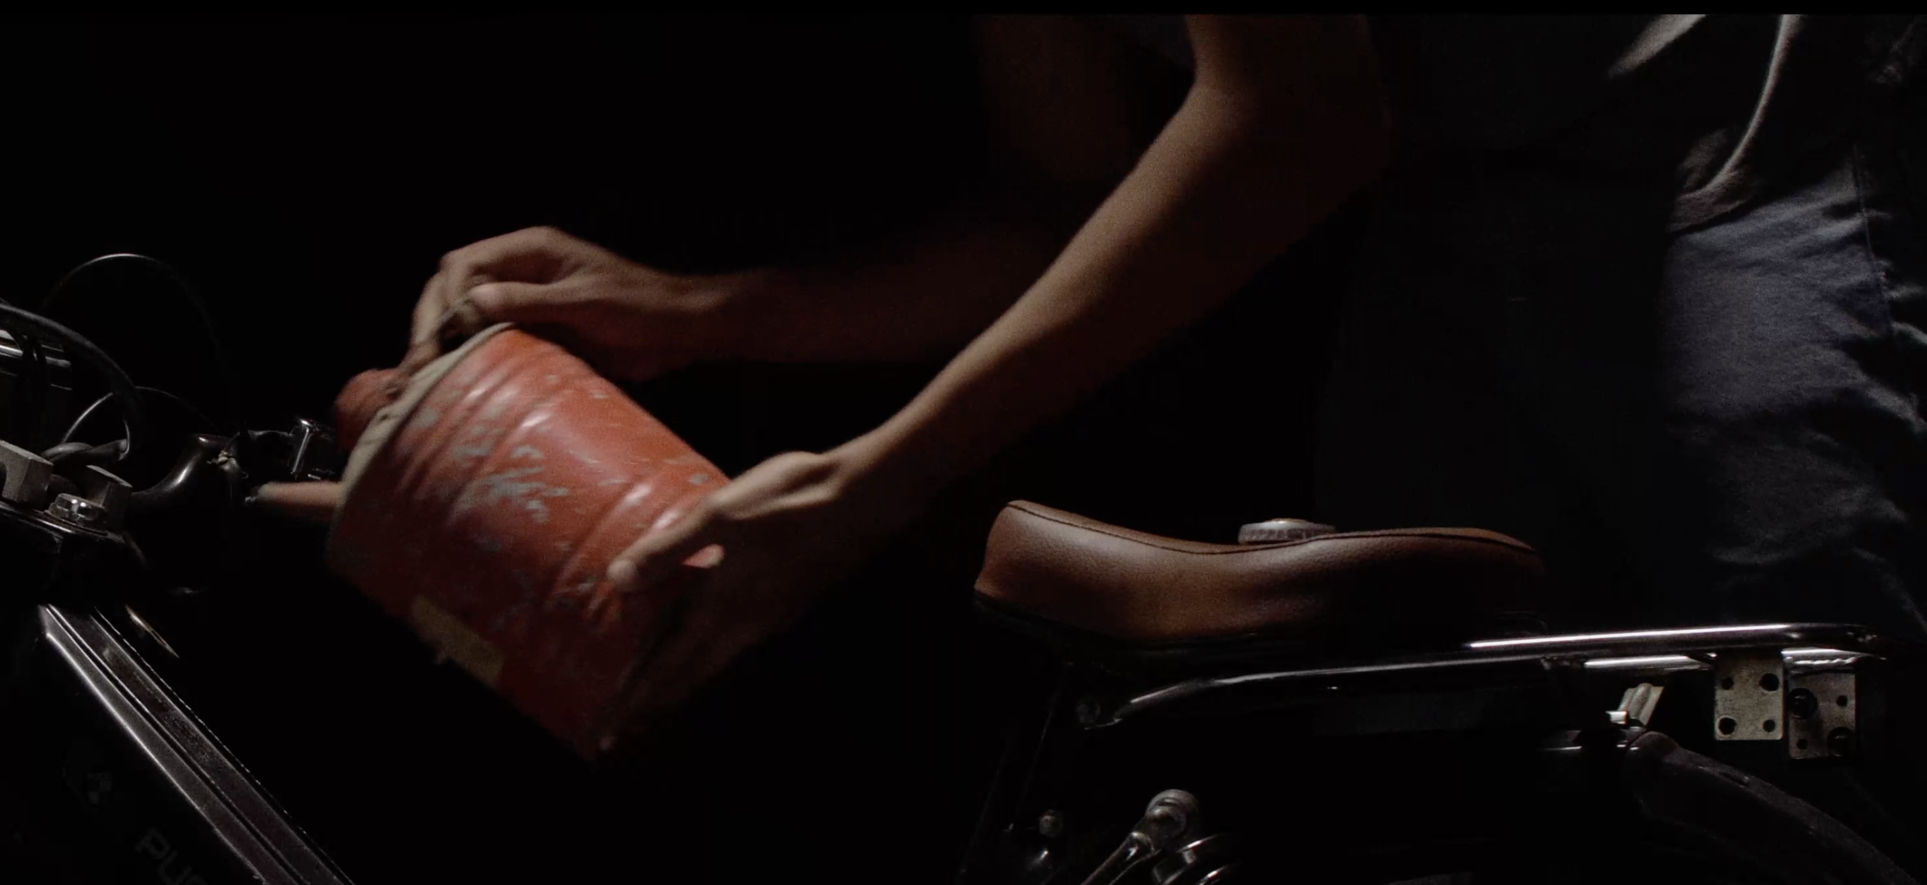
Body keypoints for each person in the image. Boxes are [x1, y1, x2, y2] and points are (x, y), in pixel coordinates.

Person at [266, 15, 1925, 734]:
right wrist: (701, 316)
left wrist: (868, 486)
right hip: (1467, 186)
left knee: (1816, 713)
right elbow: (1067, 205)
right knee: (1433, 740)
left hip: (1748, 143)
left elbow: (1292, 120)